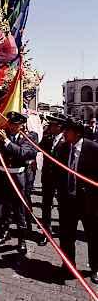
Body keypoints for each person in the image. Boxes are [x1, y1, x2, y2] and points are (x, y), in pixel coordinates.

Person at [0, 111, 37, 261]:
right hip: (2, 177)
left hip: (18, 178)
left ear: (22, 125)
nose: (12, 127)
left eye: (16, 124)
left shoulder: (30, 137)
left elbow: (23, 153)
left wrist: (6, 141)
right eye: (11, 124)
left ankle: (22, 241)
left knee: (19, 212)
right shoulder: (2, 136)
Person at [58, 119, 98, 284]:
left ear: (77, 133)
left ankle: (95, 268)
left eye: (67, 130)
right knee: (66, 235)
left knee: (93, 236)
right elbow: (59, 171)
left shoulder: (93, 148)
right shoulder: (63, 147)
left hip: (89, 202)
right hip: (68, 200)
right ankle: (68, 265)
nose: (64, 133)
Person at [38, 113, 67, 246]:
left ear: (59, 127)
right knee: (46, 206)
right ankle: (46, 233)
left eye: (52, 125)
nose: (49, 126)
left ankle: (63, 231)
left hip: (62, 180)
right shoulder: (48, 138)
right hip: (48, 178)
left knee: (63, 207)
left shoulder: (67, 141)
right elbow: (37, 148)